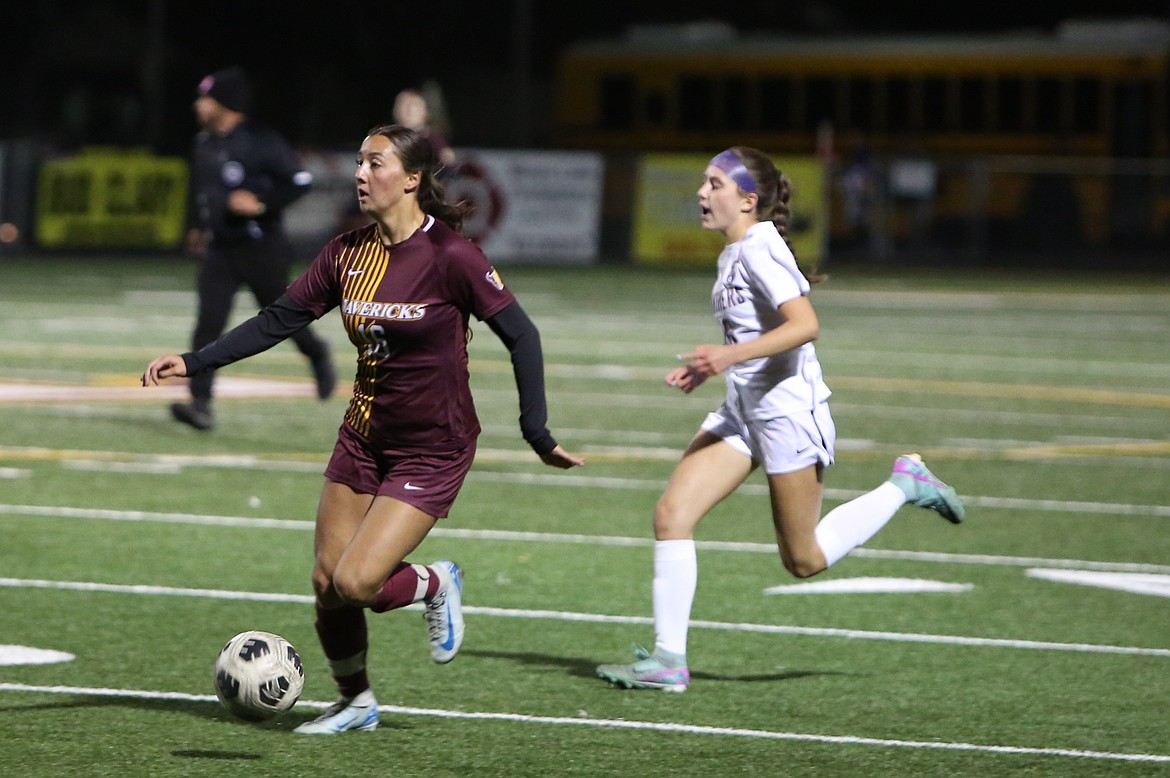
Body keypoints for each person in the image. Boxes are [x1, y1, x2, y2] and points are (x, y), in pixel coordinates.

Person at [142, 124, 585, 732]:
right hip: (363, 436)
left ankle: (434, 583)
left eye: (374, 163)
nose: (359, 173)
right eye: (358, 161)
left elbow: (522, 336)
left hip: (434, 447)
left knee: (357, 580)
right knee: (327, 581)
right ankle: (356, 701)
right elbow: (278, 320)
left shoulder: (451, 255)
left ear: (410, 178)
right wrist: (194, 363)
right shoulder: (347, 253)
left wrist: (536, 432)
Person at [595, 146, 964, 693]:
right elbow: (753, 335)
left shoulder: (759, 249)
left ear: (748, 200)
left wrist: (725, 358)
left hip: (787, 417)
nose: (702, 192)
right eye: (704, 182)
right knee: (672, 515)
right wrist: (713, 369)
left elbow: (805, 325)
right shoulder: (735, 249)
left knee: (804, 559)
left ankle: (903, 485)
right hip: (744, 413)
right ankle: (669, 662)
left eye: (715, 183)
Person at [172, 65, 336, 430]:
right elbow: (204, 194)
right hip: (221, 251)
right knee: (208, 324)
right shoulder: (204, 144)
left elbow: (300, 182)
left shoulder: (261, 141)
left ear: (226, 103)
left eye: (206, 98)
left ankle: (316, 352)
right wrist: (199, 226)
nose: (198, 105)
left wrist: (261, 202)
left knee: (283, 320)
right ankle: (200, 403)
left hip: (261, 249)